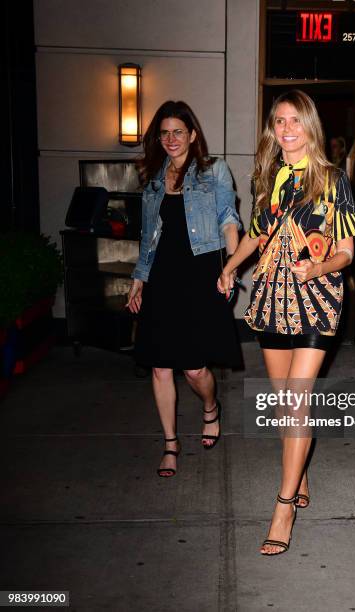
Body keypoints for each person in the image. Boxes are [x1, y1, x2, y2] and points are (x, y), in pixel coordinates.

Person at [218, 89, 355, 555]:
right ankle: (300, 473)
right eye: (279, 121)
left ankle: (284, 507)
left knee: (297, 403)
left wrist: (319, 268)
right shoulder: (268, 177)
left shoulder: (331, 179)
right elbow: (258, 233)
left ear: (310, 127)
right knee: (285, 406)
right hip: (271, 301)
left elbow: (345, 252)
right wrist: (229, 266)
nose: (286, 129)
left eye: (295, 121)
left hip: (318, 302)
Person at [126, 100, 243, 478]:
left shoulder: (214, 171)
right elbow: (148, 238)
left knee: (194, 369)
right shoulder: (154, 180)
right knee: (160, 367)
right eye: (164, 133)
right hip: (161, 278)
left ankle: (210, 407)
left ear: (192, 135)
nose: (171, 139)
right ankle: (170, 444)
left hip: (199, 274)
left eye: (178, 131)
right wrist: (138, 278)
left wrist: (230, 266)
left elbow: (229, 220)